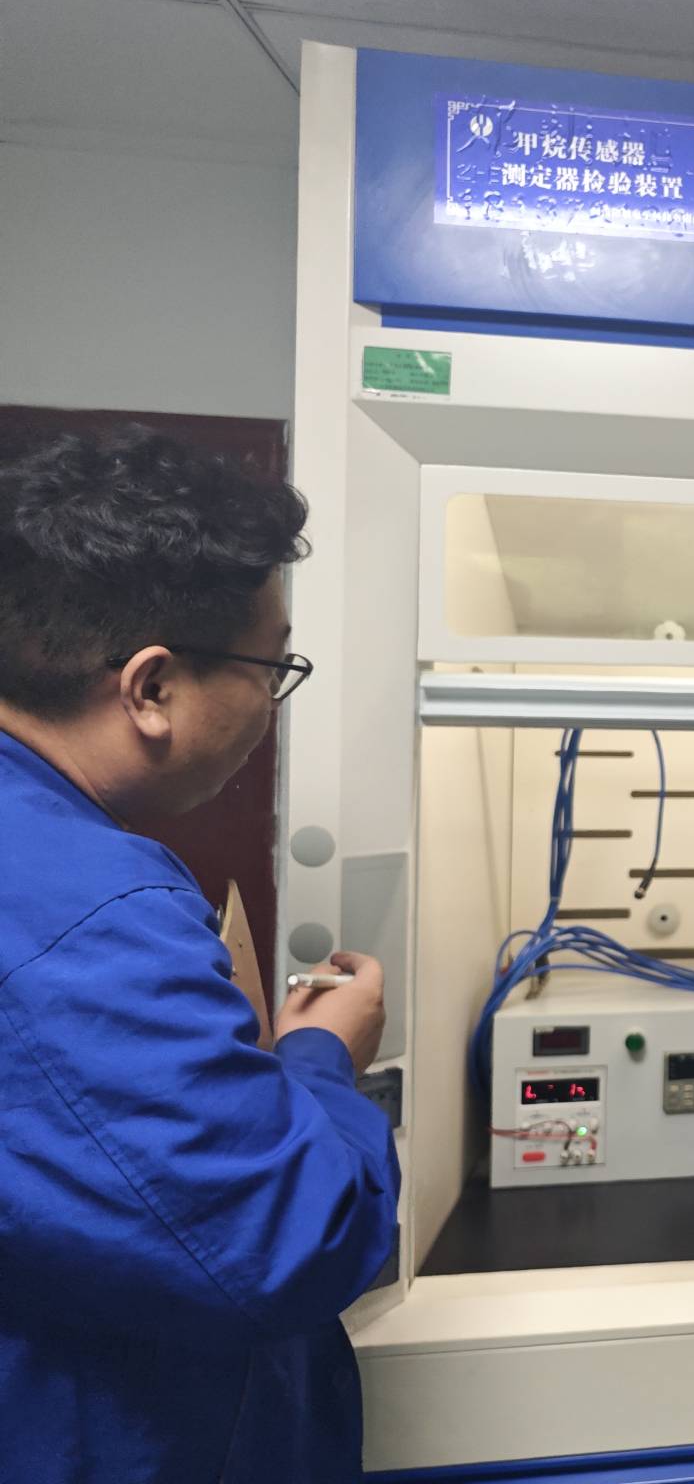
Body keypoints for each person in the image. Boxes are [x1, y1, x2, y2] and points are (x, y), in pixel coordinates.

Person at [0, 427, 400, 1483]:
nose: (271, 704)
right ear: (151, 688)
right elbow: (293, 1240)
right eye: (272, 667)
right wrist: (320, 1058)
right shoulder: (90, 918)